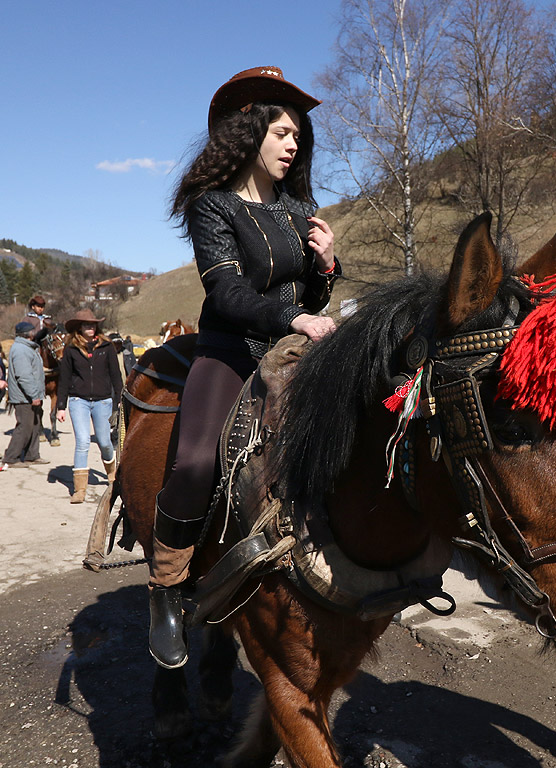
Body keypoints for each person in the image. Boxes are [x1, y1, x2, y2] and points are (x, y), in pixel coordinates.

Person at [148, 66, 341, 670]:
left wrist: (327, 265)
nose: (294, 144)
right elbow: (228, 296)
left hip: (291, 350)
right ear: (249, 132)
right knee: (195, 460)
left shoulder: (296, 209)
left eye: (298, 136)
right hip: (228, 350)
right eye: (283, 132)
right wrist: (295, 321)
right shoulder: (214, 207)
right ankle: (166, 586)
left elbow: (312, 301)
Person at [56, 309, 122, 503]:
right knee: (83, 441)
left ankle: (112, 475)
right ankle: (79, 490)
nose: (90, 328)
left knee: (104, 442)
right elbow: (65, 379)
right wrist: (61, 406)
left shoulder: (107, 347)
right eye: (86, 325)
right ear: (79, 328)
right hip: (79, 401)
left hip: (103, 401)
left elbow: (116, 375)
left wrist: (120, 399)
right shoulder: (70, 349)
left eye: (92, 325)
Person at [2, 322, 48, 469]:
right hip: (24, 397)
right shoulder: (21, 350)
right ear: (28, 333)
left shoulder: (27, 348)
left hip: (31, 395)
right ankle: (11, 458)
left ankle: (31, 456)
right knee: (24, 426)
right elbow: (24, 376)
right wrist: (34, 395)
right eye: (32, 331)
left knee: (35, 425)